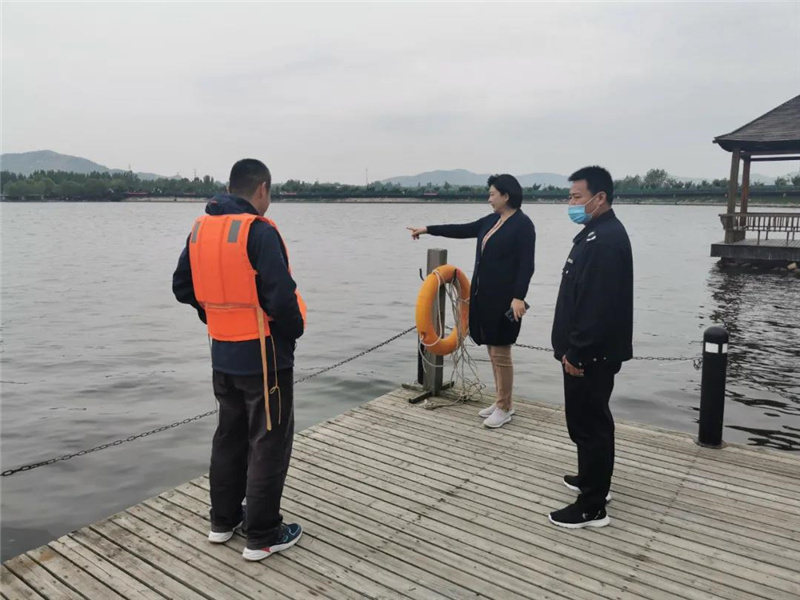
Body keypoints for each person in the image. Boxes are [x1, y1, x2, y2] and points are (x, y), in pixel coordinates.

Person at [172, 158, 306, 560]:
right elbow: (281, 298)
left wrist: (214, 316)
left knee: (228, 436)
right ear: (262, 189)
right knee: (269, 441)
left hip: (222, 352)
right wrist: (291, 333)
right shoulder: (258, 231)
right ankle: (263, 534)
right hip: (264, 355)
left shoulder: (201, 229)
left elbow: (182, 287)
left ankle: (223, 520)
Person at [408, 174, 536, 428]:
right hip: (484, 295)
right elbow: (462, 229)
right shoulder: (491, 220)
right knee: (492, 349)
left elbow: (526, 264)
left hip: (506, 299)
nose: (489, 198)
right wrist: (429, 229)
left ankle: (505, 407)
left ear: (506, 196)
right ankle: (502, 401)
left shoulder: (523, 225)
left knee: (501, 352)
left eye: (492, 194)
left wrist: (519, 297)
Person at [548, 166, 633, 529]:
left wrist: (577, 351)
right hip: (586, 350)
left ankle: (592, 507)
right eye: (569, 196)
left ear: (600, 198)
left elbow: (596, 306)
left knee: (591, 425)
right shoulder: (595, 233)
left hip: (590, 354)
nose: (571, 203)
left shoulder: (605, 241)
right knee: (585, 422)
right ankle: (591, 480)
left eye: (577, 197)